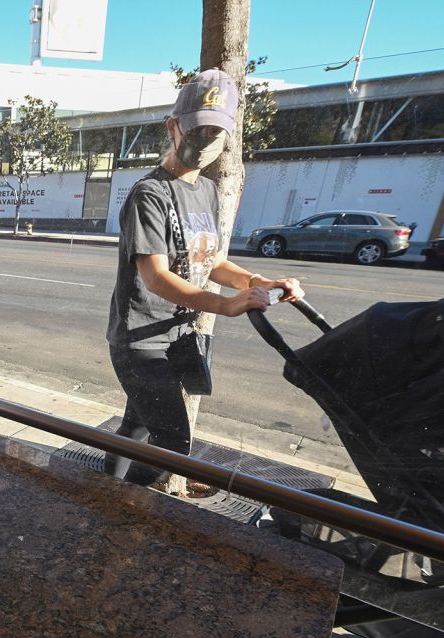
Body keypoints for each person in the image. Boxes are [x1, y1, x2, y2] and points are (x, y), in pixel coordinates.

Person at [104, 68, 305, 486]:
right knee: (174, 441)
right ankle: (127, 509)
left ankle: (106, 490)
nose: (207, 142)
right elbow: (156, 276)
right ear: (173, 128)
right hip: (140, 340)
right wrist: (224, 304)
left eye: (217, 134)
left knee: (139, 426)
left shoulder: (208, 192)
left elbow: (211, 261)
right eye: (198, 130)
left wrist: (255, 283)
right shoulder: (151, 194)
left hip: (178, 336)